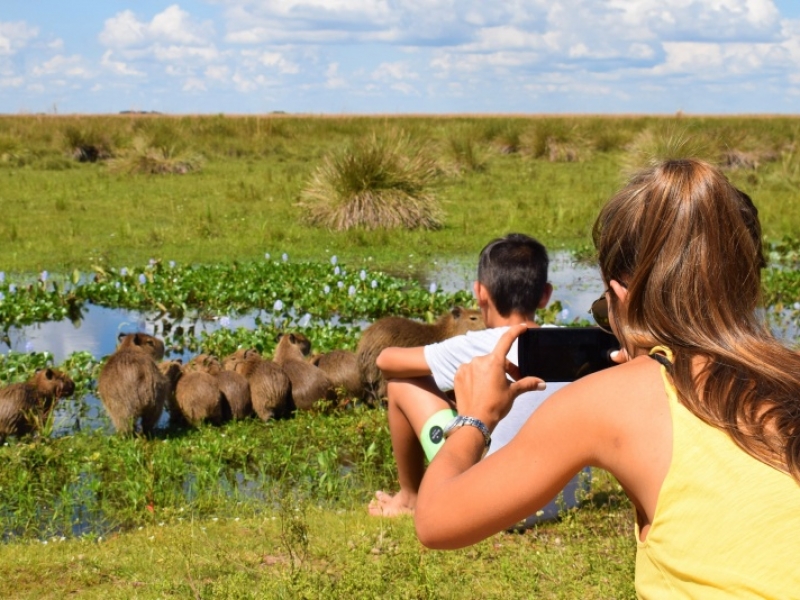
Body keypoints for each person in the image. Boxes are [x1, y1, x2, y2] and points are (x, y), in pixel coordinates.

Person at [414, 159, 800, 598]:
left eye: (603, 313)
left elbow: (435, 520)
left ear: (621, 296)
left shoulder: (607, 402)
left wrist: (475, 418)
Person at [369, 232, 564, 517]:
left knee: (401, 383)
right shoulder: (569, 344)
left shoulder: (474, 345)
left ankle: (409, 497)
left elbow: (385, 360)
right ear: (545, 295)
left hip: (486, 508)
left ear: (480, 293)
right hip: (559, 503)